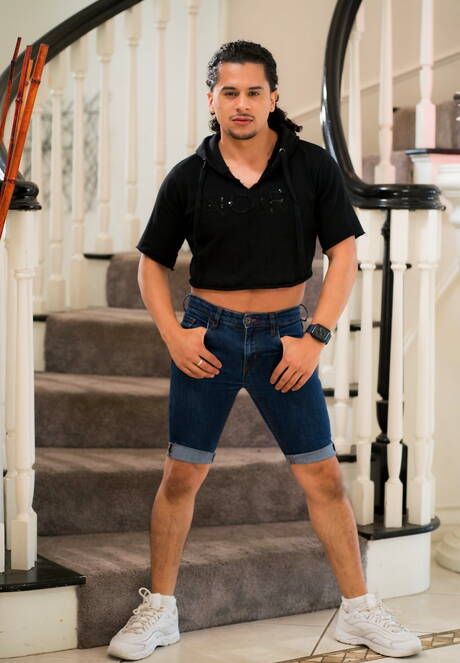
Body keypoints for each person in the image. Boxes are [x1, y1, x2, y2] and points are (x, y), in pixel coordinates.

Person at [107, 40, 422, 661]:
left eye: (254, 92)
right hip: (209, 337)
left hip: (286, 339)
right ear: (212, 100)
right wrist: (174, 334)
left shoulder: (311, 167)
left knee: (323, 475)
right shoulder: (189, 175)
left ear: (274, 97)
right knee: (181, 475)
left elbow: (344, 256)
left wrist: (316, 337)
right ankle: (160, 610)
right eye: (230, 92)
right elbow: (151, 265)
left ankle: (359, 610)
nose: (242, 104)